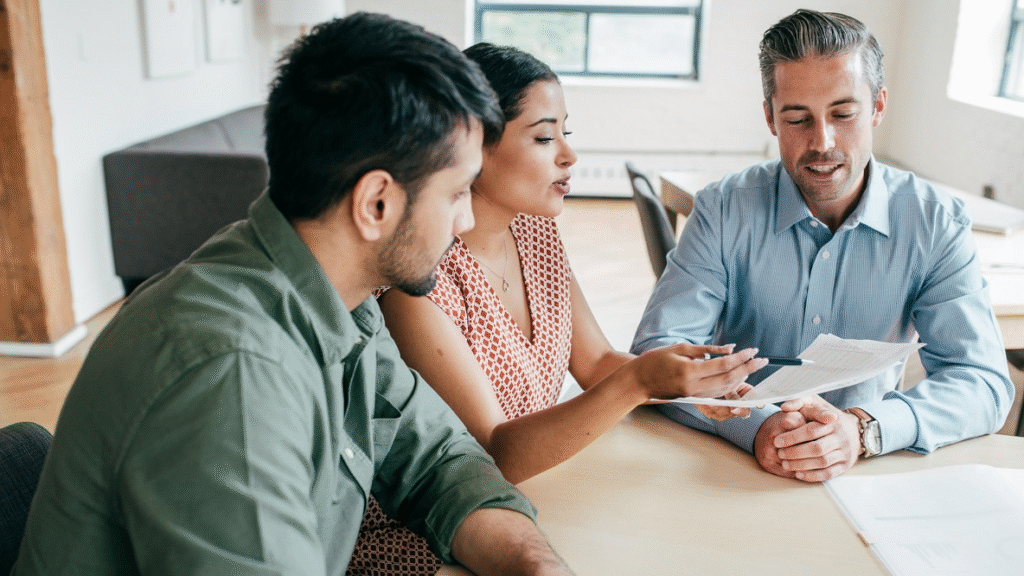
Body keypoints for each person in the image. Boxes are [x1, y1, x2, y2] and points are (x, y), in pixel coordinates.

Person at [12, 13, 574, 576]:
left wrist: (532, 563)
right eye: (455, 193)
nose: (466, 219)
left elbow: (440, 462)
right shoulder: (229, 372)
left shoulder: (339, 300)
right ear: (376, 203)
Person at [345, 43, 766, 575]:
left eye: (567, 133)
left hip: (542, 496)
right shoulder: (419, 284)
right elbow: (495, 456)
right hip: (430, 535)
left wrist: (683, 377)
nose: (568, 156)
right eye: (544, 137)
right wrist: (639, 384)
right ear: (470, 148)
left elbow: (593, 364)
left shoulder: (535, 231)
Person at [631, 9, 1014, 483]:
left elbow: (983, 382)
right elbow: (656, 352)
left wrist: (864, 429)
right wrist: (759, 426)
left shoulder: (934, 222)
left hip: (868, 471)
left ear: (877, 107)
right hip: (733, 467)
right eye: (797, 118)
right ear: (770, 117)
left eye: (843, 113)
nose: (822, 142)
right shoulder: (724, 208)